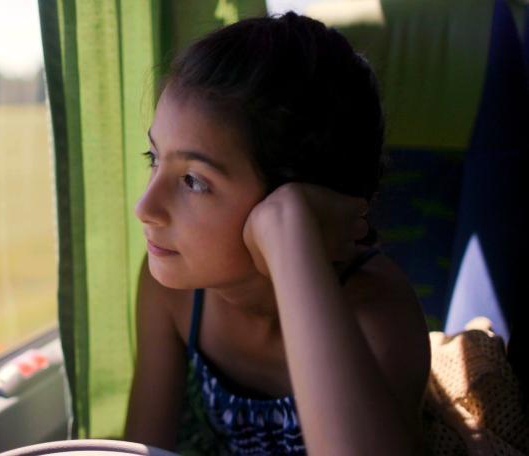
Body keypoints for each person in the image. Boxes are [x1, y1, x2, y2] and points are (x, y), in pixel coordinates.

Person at [123, 12, 431, 456]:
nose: (145, 208)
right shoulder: (170, 290)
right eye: (153, 157)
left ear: (300, 200)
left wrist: (288, 232)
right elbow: (141, 448)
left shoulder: (376, 316)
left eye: (194, 180)